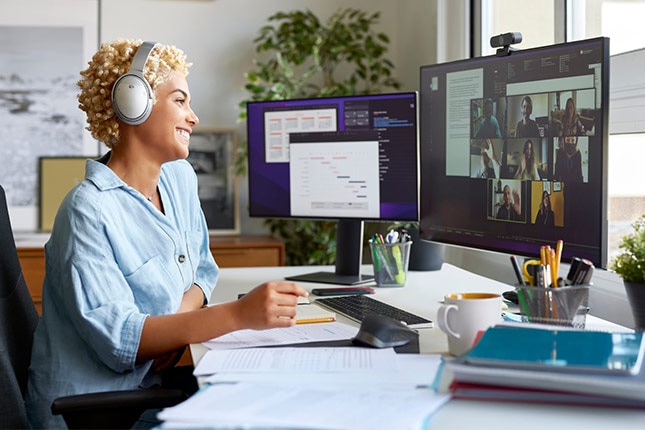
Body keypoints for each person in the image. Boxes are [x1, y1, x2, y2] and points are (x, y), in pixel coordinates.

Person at [25, 39, 308, 429]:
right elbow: (121, 341)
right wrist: (239, 315)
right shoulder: (87, 210)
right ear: (132, 102)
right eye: (180, 101)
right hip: (97, 410)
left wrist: (168, 331)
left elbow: (203, 271)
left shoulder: (179, 178)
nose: (193, 117)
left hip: (152, 384)